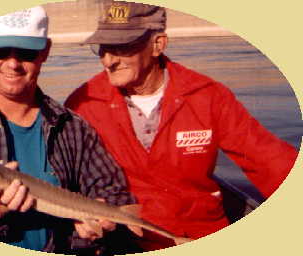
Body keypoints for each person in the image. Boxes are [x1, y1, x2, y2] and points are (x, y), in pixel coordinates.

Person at [65, 1, 299, 251]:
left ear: (158, 45)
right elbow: (67, 177)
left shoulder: (207, 96)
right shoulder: (83, 104)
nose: (108, 60)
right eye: (103, 47)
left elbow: (270, 160)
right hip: (129, 240)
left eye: (122, 47)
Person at [0, 6, 138, 255]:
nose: (13, 64)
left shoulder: (73, 127)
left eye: (26, 52)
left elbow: (111, 190)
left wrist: (104, 219)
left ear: (45, 51)